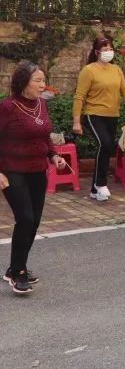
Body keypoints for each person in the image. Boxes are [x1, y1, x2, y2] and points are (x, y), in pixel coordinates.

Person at [1, 61, 68, 295]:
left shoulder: (41, 104)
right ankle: (18, 273)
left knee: (35, 221)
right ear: (23, 82)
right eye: (38, 80)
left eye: (43, 80)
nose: (42, 85)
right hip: (12, 170)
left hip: (38, 171)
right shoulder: (8, 107)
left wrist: (53, 155)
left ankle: (15, 267)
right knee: (26, 219)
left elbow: (44, 135)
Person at [72, 35, 125, 201]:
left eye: (111, 49)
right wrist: (76, 122)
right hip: (93, 114)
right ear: (97, 52)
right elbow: (79, 96)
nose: (109, 52)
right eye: (105, 49)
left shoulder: (116, 69)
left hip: (112, 115)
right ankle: (101, 184)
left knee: (107, 148)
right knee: (105, 144)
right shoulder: (89, 70)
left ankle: (94, 189)